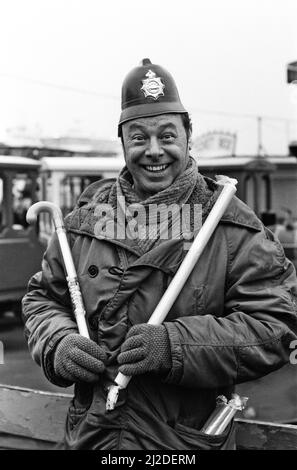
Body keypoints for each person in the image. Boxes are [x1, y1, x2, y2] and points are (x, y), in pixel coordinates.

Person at [22, 58, 297, 451]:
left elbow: (277, 329)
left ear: (188, 136)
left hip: (183, 444)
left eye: (167, 135)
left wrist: (175, 346)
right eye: (138, 138)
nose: (154, 151)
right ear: (122, 143)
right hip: (91, 439)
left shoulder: (234, 228)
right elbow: (42, 299)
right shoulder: (84, 223)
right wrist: (57, 343)